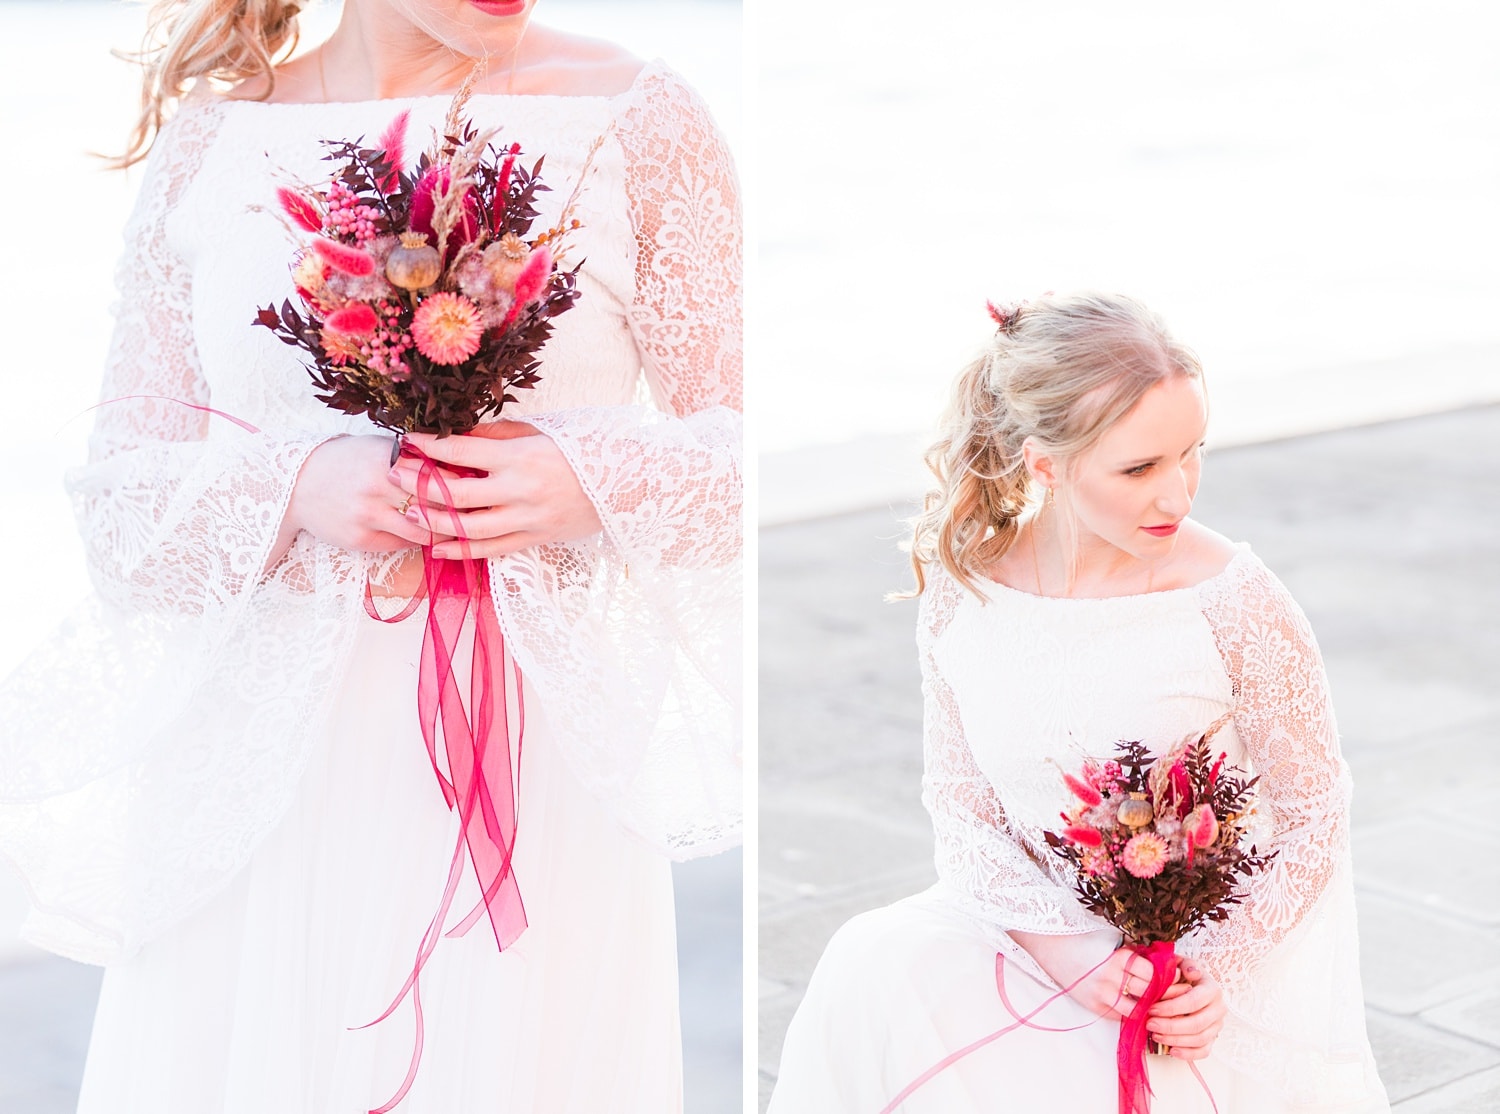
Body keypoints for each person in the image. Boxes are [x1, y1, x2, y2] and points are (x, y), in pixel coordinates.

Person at [0, 1, 740, 1110]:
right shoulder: (215, 141)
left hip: (537, 777)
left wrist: (582, 478)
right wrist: (294, 487)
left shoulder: (640, 116)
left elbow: (738, 460)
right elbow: (118, 519)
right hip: (261, 788)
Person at [769, 293, 1387, 1112]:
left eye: (1191, 453)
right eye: (1140, 468)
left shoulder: (1230, 599)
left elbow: (1315, 810)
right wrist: (1074, 956)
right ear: (1044, 464)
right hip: (1031, 932)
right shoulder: (965, 598)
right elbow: (963, 810)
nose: (1178, 496)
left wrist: (1214, 975)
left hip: (1190, 971)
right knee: (870, 964)